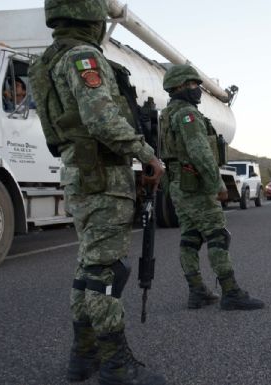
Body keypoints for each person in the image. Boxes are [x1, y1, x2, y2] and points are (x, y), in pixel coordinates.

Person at [29, 1, 165, 384]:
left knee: (87, 269)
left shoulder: (50, 61)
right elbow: (100, 116)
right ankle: (115, 366)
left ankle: (83, 358)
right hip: (101, 176)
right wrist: (146, 155)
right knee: (106, 271)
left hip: (80, 174)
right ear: (90, 15)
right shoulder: (83, 56)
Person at [159, 64, 265, 311]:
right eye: (193, 85)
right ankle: (231, 292)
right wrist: (217, 183)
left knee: (190, 237)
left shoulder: (166, 114)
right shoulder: (188, 115)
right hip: (195, 185)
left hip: (177, 184)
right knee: (217, 235)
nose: (197, 90)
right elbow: (200, 152)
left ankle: (197, 291)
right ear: (179, 87)